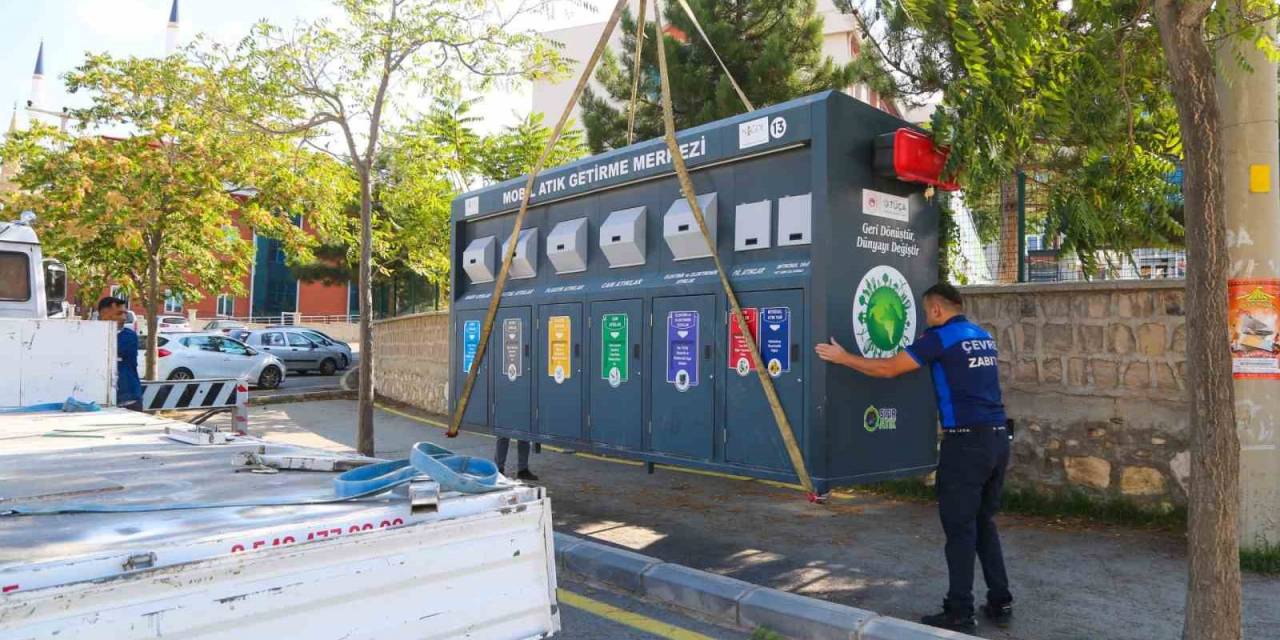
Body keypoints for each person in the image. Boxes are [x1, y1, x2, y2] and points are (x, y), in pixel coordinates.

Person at [814, 282, 1012, 633]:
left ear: (936, 309)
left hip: (965, 444)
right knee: (984, 521)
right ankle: (1000, 599)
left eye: (925, 311)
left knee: (960, 528)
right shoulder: (981, 335)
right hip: (997, 439)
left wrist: (843, 357)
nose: (925, 318)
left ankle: (960, 611)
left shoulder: (940, 338)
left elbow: (890, 368)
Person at [98, 296, 143, 411]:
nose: (123, 318)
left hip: (128, 398)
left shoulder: (129, 336)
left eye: (125, 314)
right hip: (100, 398)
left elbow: (111, 350)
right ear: (104, 314)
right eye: (119, 313)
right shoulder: (92, 334)